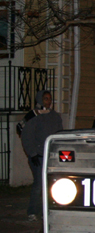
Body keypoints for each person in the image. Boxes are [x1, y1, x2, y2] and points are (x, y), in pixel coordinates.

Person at [20, 90, 62, 221]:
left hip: (51, 156)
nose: (48, 101)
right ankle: (32, 211)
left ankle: (47, 211)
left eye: (49, 99)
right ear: (40, 100)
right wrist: (32, 153)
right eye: (45, 99)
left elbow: (59, 134)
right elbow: (27, 136)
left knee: (51, 185)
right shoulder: (34, 115)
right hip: (37, 155)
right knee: (39, 184)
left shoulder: (55, 116)